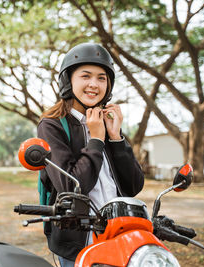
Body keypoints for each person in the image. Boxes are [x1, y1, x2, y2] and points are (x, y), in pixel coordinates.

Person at [37, 43, 144, 267]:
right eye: (85, 76)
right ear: (69, 81)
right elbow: (70, 186)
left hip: (118, 234)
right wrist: (96, 140)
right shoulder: (52, 126)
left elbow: (133, 186)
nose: (94, 84)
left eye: (101, 78)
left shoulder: (108, 122)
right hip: (78, 240)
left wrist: (115, 138)